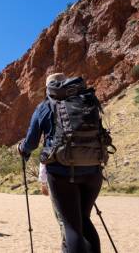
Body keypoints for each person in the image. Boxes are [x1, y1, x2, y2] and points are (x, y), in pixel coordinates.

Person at [18, 73, 105, 253]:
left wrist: (22, 149)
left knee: (72, 225)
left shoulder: (45, 106)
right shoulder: (87, 101)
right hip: (93, 171)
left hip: (61, 173)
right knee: (85, 220)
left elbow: (31, 143)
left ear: (48, 87)